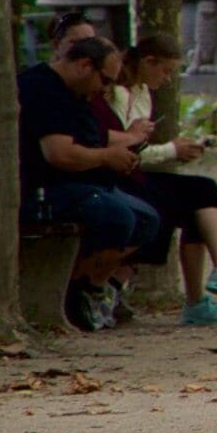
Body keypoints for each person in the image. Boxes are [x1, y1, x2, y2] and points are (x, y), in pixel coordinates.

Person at [18, 34, 168, 331]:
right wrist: (105, 158)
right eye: (105, 80)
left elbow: (94, 136)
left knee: (147, 219)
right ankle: (75, 290)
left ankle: (90, 282)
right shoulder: (44, 90)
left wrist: (125, 147)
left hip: (88, 183)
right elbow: (60, 154)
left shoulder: (81, 94)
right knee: (117, 218)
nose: (107, 89)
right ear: (84, 66)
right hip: (47, 188)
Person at [112, 38, 217, 324]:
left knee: (201, 194)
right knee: (190, 196)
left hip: (136, 172)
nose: (166, 79)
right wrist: (171, 150)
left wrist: (175, 152)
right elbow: (125, 149)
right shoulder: (117, 94)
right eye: (164, 71)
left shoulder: (142, 93)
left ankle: (203, 293)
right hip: (116, 175)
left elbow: (139, 148)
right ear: (147, 62)